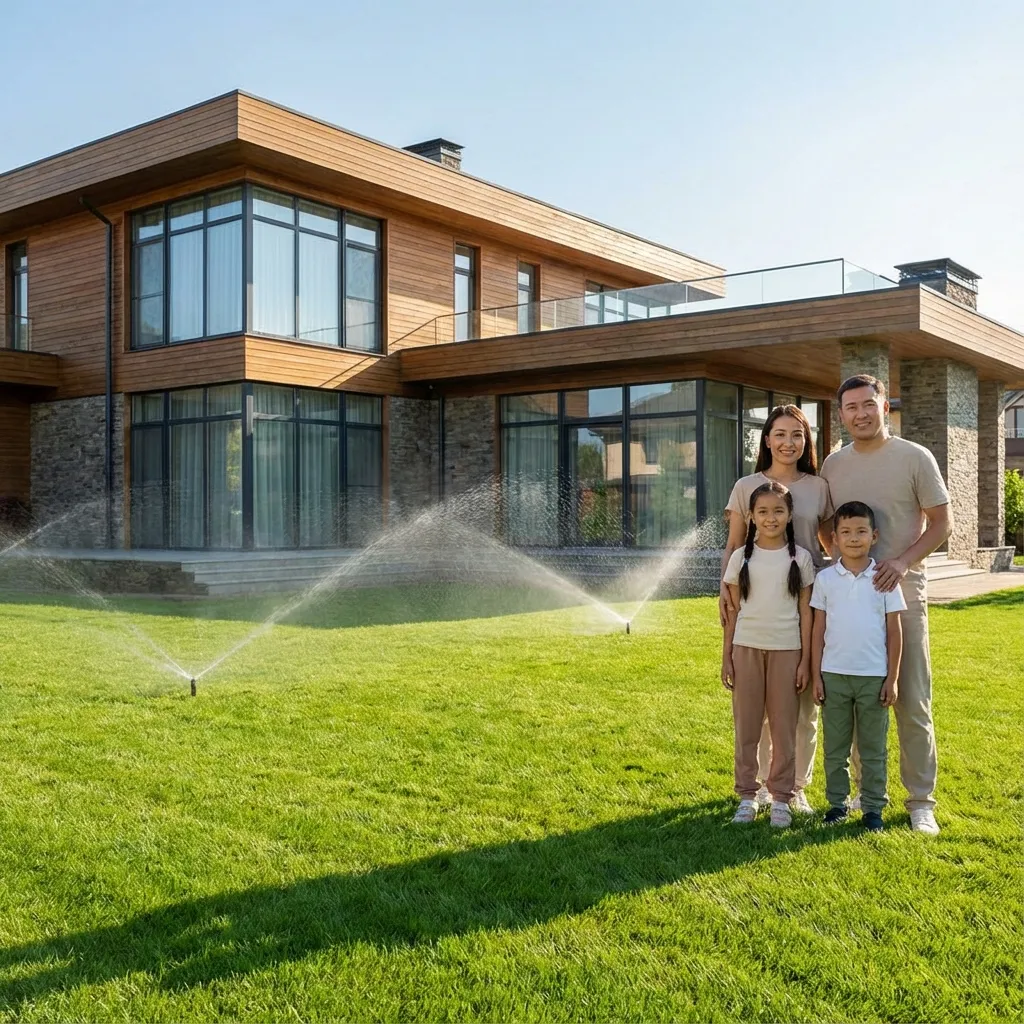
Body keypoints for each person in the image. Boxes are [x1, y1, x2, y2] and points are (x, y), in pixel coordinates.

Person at [820, 374, 951, 835]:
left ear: (884, 406)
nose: (860, 413)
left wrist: (901, 561)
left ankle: (921, 801)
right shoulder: (833, 465)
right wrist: (840, 564)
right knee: (858, 696)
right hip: (850, 598)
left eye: (868, 404)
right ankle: (862, 791)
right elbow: (824, 524)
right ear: (841, 415)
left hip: (901, 593)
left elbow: (941, 524)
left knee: (911, 698)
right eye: (851, 407)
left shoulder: (915, 457)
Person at [719, 404, 833, 814]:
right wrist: (724, 589)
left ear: (806, 442)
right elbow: (734, 545)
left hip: (806, 602)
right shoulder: (747, 484)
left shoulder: (818, 487)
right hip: (756, 602)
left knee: (800, 709)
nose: (789, 442)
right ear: (766, 439)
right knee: (759, 711)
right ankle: (762, 788)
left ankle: (794, 786)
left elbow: (828, 544)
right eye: (780, 434)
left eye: (797, 435)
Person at [721, 481, 816, 828]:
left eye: (778, 511)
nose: (770, 518)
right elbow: (732, 611)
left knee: (784, 729)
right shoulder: (740, 557)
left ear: (790, 515)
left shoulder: (801, 558)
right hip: (746, 649)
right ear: (751, 516)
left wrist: (805, 660)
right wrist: (726, 655)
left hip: (788, 651)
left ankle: (781, 798)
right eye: (762, 511)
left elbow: (807, 613)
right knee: (747, 727)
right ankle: (747, 796)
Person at [811, 501, 905, 831]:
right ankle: (836, 806)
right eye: (846, 532)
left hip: (873, 679)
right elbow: (817, 630)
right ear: (833, 537)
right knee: (835, 749)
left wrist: (891, 679)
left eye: (861, 531)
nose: (854, 538)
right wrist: (816, 676)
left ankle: (873, 809)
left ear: (874, 536)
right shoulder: (825, 579)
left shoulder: (884, 579)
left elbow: (894, 631)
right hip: (833, 676)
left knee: (873, 750)